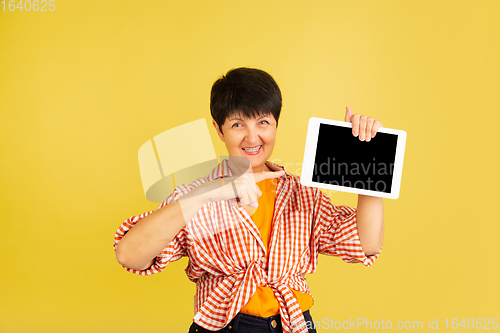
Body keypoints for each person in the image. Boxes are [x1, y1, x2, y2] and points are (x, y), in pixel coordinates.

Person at [114, 68, 384, 333]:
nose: (252, 137)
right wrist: (207, 193)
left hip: (295, 323)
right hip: (227, 325)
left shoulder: (303, 194)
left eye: (263, 123)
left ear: (276, 124)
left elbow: (366, 244)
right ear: (219, 130)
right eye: (237, 125)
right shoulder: (195, 196)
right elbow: (129, 255)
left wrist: (367, 156)